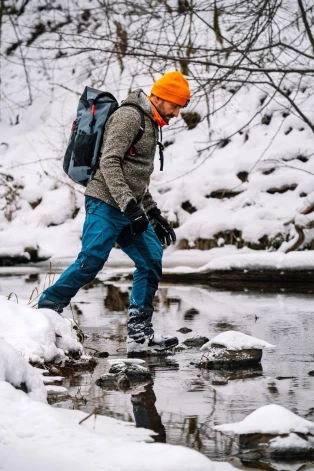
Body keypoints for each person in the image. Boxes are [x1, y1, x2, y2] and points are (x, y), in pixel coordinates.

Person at [38, 71, 191, 355]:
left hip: (128, 206)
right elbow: (109, 163)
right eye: (175, 105)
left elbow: (135, 176)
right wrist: (130, 207)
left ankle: (139, 335)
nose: (178, 112)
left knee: (151, 259)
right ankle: (45, 311)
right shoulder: (129, 117)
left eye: (182, 106)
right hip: (104, 203)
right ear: (158, 97)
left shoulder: (151, 123)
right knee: (91, 260)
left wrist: (152, 212)